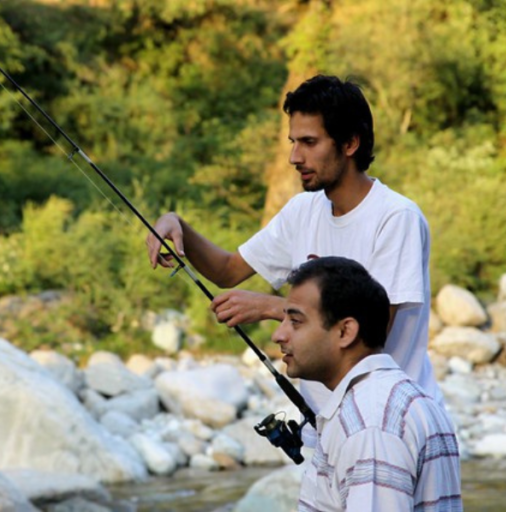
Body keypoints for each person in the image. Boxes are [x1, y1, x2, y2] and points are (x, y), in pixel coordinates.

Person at [146, 74, 443, 445]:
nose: (293, 157)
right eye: (292, 142)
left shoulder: (396, 217)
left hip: (390, 426)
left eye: (309, 142)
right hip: (327, 431)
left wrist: (275, 308)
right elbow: (226, 270)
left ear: (350, 143)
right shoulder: (303, 210)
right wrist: (178, 226)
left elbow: (370, 333)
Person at [273, 256, 461, 511]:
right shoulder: (402, 397)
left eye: (296, 321)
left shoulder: (368, 425)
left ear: (345, 332)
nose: (278, 334)